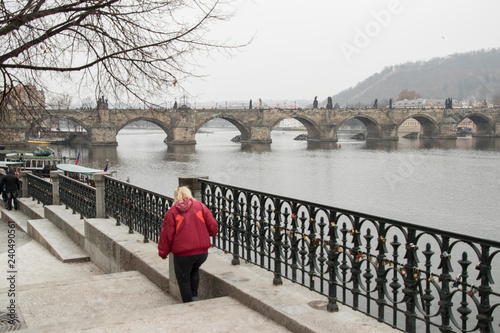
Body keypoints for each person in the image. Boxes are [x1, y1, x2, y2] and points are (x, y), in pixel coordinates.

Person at [158, 186, 218, 302]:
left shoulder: (172, 212)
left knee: (183, 279)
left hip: (183, 255)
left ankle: (188, 304)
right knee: (194, 270)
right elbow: (213, 225)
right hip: (201, 253)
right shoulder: (200, 206)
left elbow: (167, 235)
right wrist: (211, 233)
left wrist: (163, 252)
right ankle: (194, 298)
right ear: (189, 195)